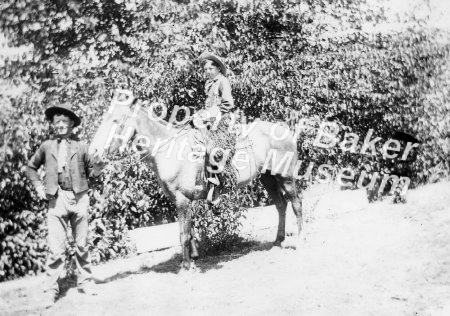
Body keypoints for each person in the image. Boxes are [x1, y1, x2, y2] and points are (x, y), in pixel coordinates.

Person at [26, 102, 105, 307]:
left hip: (79, 199)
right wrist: (38, 187)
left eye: (64, 121)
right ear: (53, 125)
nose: (60, 124)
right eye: (56, 121)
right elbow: (31, 168)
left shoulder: (82, 146)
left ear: (72, 124)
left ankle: (85, 282)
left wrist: (97, 168)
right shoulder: (46, 146)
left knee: (82, 245)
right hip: (56, 200)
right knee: (56, 249)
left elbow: (92, 173)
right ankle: (51, 290)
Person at [197, 52, 238, 204]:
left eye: (210, 69)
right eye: (205, 69)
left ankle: (218, 185)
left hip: (223, 120)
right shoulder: (209, 84)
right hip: (211, 120)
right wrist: (201, 115)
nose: (207, 72)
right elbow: (210, 105)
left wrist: (211, 114)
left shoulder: (223, 81)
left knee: (212, 148)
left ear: (218, 69)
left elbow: (228, 103)